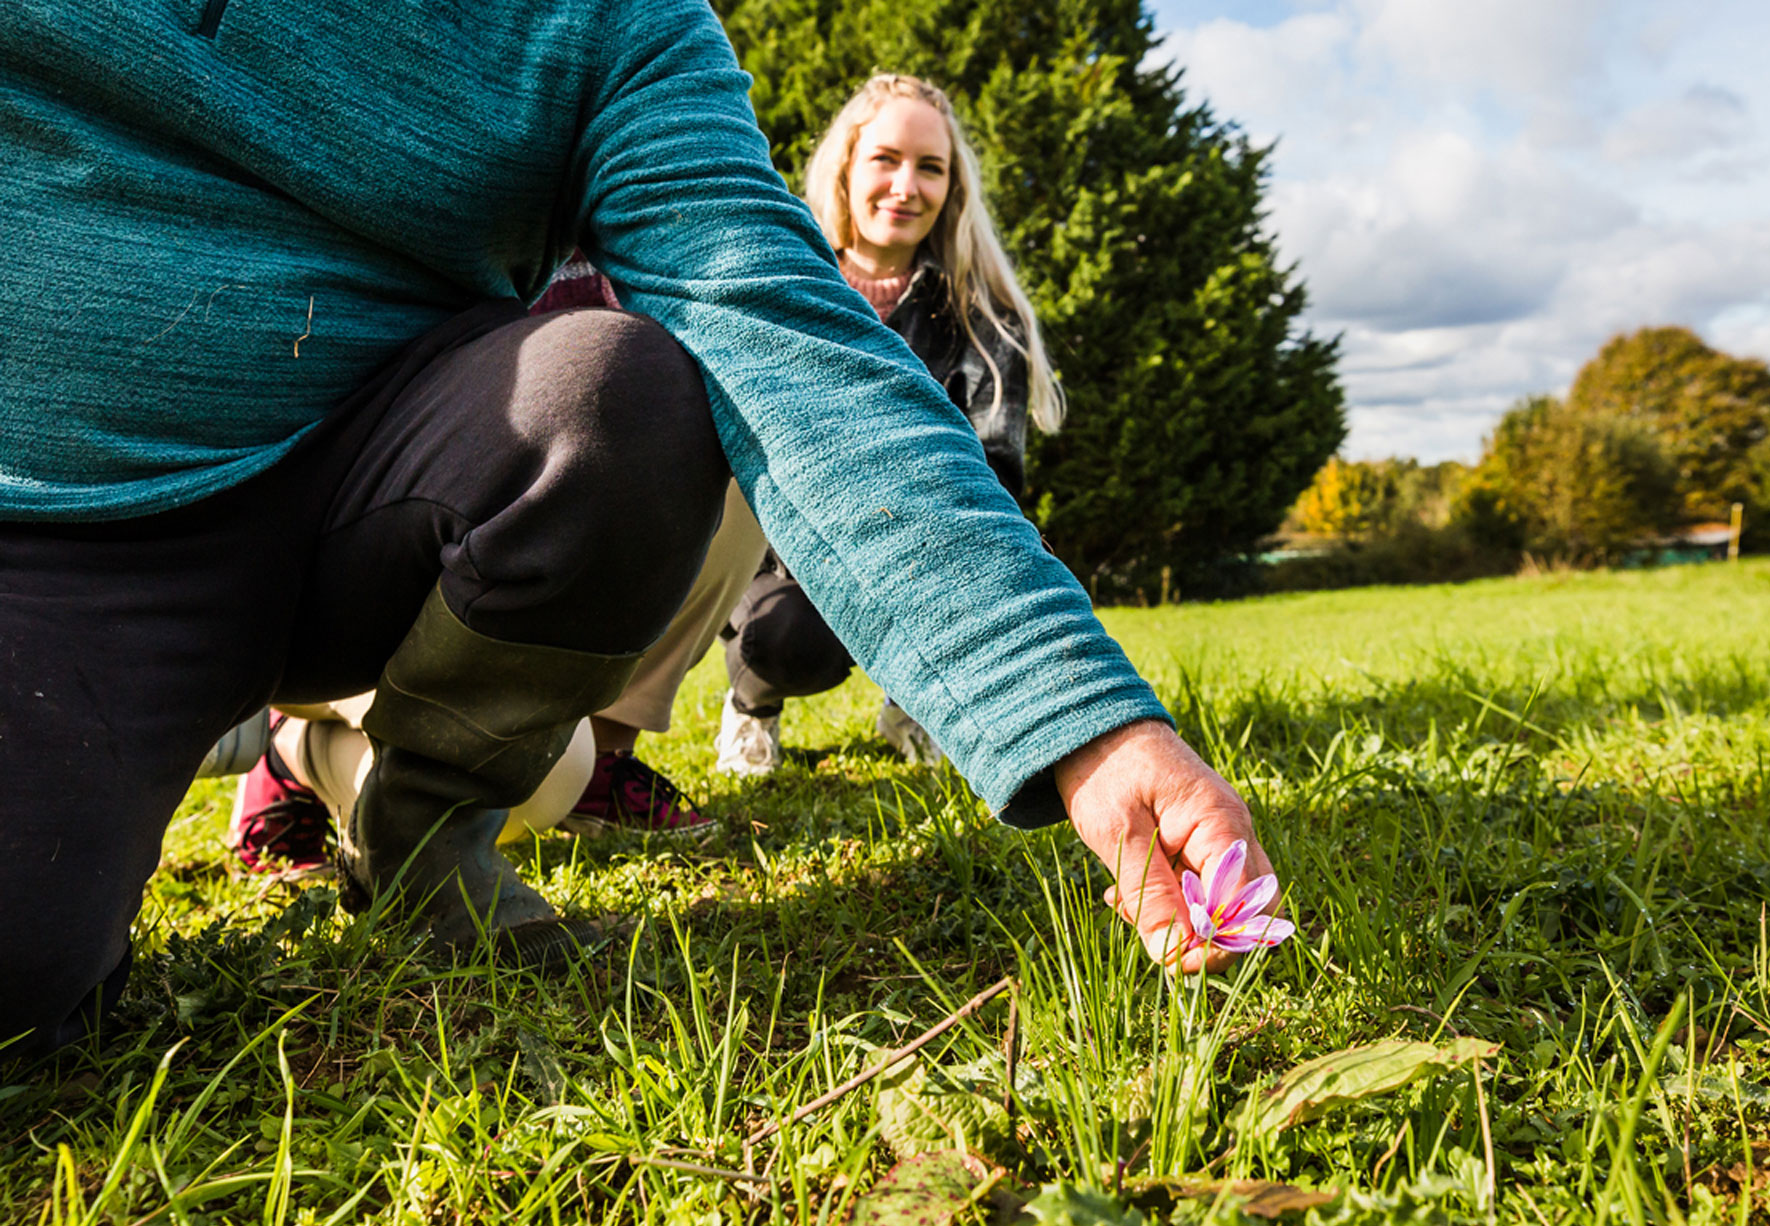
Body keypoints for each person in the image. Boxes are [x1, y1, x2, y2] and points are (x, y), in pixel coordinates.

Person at [0, 0, 1277, 1056]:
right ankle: (286, 753)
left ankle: (425, 823)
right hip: (56, 525)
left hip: (385, 503)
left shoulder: (615, 26)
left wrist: (1073, 713)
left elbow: (781, 331)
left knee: (624, 389)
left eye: (929, 167)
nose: (907, 185)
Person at [225, 255, 768, 873]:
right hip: (374, 541)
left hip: (531, 546)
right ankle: (294, 753)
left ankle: (609, 747)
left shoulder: (643, 206)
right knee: (537, 785)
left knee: (731, 452)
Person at [714, 74, 1062, 777]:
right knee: (788, 641)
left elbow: (996, 470)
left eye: (930, 167)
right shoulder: (782, 286)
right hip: (783, 557)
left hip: (927, 549)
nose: (906, 185)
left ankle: (916, 705)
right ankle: (751, 707)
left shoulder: (985, 317)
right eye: (886, 159)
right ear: (845, 165)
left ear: (952, 187)